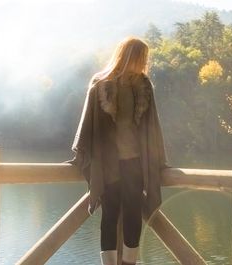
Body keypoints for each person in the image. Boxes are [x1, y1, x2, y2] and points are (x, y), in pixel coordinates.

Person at [69, 37, 168, 265]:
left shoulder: (144, 86)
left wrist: (159, 160)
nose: (144, 62)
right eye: (141, 57)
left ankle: (129, 263)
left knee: (134, 214)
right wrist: (80, 155)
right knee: (110, 214)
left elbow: (153, 126)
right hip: (108, 162)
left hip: (135, 162)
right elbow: (87, 124)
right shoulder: (101, 84)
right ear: (128, 56)